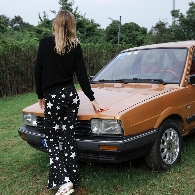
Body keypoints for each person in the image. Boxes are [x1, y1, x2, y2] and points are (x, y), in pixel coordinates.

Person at [35, 10, 108, 195]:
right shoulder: (75, 45)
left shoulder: (45, 43)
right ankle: (72, 178)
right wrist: (93, 100)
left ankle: (64, 181)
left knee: (51, 139)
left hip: (54, 98)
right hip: (70, 96)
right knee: (67, 138)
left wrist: (40, 95)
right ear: (72, 25)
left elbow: (38, 72)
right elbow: (82, 75)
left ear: (56, 24)